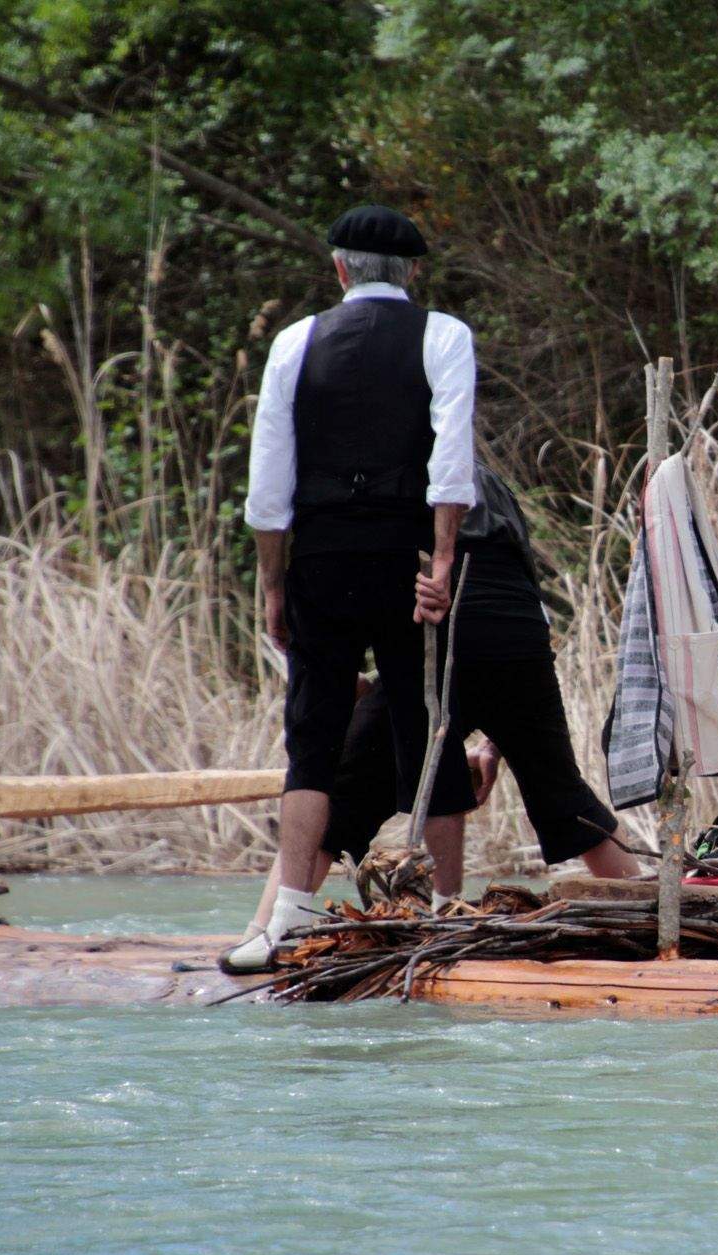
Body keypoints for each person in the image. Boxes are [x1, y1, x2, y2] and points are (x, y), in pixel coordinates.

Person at [219, 468, 641, 972]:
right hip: (518, 632)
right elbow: (522, 586)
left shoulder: (389, 465)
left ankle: (263, 932)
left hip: (436, 625)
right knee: (561, 791)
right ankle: (649, 912)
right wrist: (493, 745)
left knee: (337, 788)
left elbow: (375, 588)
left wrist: (336, 667)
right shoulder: (488, 478)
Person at [223, 203, 479, 973]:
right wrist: (439, 565)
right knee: (427, 726)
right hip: (405, 556)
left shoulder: (294, 341)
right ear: (413, 273)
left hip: (323, 557)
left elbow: (269, 484)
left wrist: (273, 582)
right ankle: (444, 916)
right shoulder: (443, 334)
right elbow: (452, 460)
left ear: (338, 270)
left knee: (311, 739)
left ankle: (285, 921)